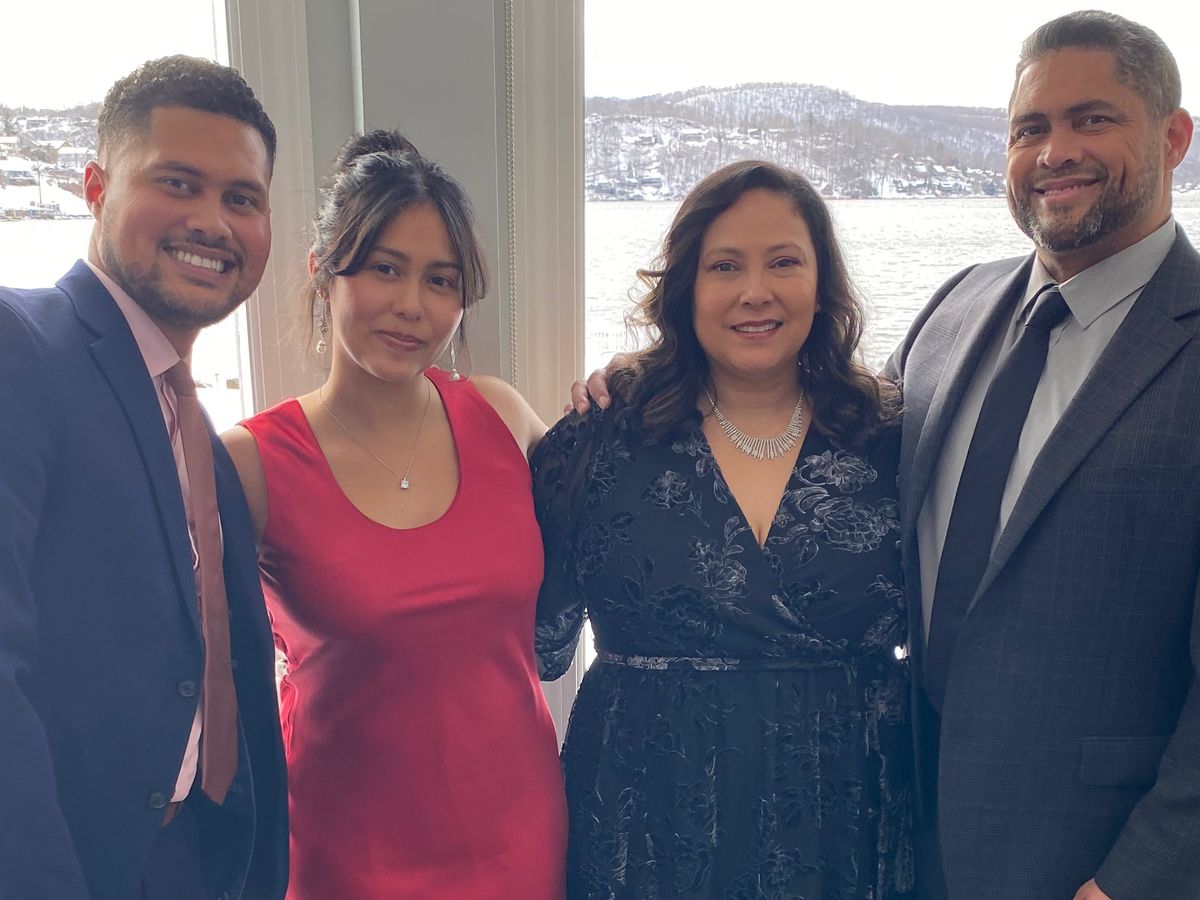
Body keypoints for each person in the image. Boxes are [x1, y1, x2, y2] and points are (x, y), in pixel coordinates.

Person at [575, 10, 1199, 899]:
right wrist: (648, 376)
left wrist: (1138, 883)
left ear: (1173, 137)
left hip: (1089, 857)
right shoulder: (956, 311)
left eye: (1091, 119)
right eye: (1030, 127)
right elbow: (817, 432)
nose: (1055, 151)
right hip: (893, 824)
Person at [537, 160, 912, 898]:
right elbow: (531, 644)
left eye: (784, 262)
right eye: (725, 266)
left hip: (845, 827)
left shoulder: (891, 437)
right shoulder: (601, 437)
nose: (755, 291)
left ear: (822, 282)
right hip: (647, 829)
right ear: (686, 287)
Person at [221, 130, 567, 899]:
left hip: (519, 838)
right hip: (346, 854)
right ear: (323, 271)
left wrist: (634, 384)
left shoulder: (500, 415)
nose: (413, 306)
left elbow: (622, 522)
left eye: (441, 281)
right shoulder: (251, 462)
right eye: (385, 268)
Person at [0, 57, 287, 900]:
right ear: (96, 188)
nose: (213, 222)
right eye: (178, 183)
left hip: (192, 859)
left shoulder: (200, 439)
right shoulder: (21, 347)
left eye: (242, 198)